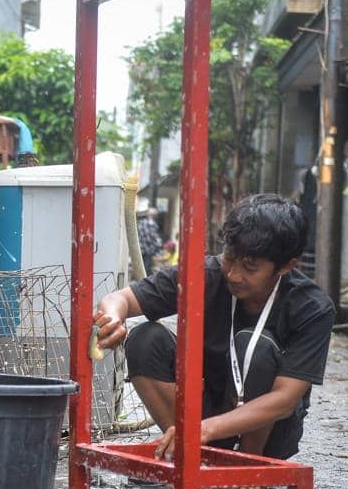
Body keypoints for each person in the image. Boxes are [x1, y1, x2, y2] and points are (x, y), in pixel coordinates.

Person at [94, 193, 335, 466]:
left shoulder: (312, 307)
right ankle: (185, 451)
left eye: (249, 267)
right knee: (145, 339)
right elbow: (120, 299)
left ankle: (247, 468)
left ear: (286, 266)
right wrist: (112, 318)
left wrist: (205, 430)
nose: (233, 274)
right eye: (230, 258)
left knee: (256, 347)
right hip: (204, 415)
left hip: (268, 433)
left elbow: (284, 399)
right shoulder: (205, 275)